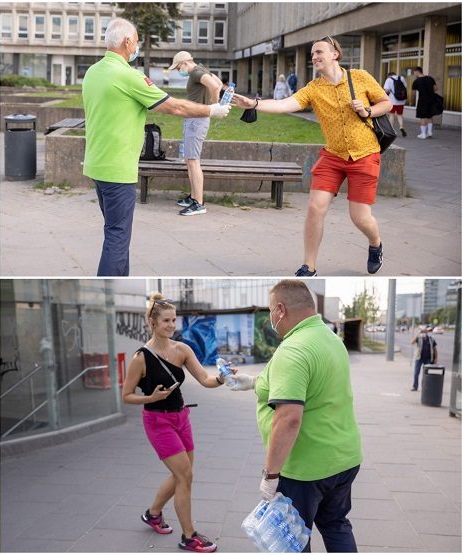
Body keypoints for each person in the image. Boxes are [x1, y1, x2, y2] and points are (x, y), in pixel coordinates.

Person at [232, 36, 391, 277]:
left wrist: (368, 110)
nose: (314, 57)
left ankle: (375, 243)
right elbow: (285, 104)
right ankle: (309, 266)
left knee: (360, 217)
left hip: (365, 155)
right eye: (312, 54)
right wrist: (254, 104)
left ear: (335, 54)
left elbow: (386, 104)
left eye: (318, 52)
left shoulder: (360, 77)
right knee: (315, 208)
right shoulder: (314, 89)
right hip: (333, 156)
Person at [82, 17, 230, 276]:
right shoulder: (129, 76)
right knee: (117, 238)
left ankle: (120, 277)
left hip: (97, 165)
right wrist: (212, 110)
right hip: (118, 171)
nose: (136, 47)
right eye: (136, 42)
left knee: (115, 234)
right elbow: (175, 106)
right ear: (128, 42)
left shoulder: (92, 72)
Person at [225, 280, 363, 552]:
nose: (270, 318)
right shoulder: (330, 339)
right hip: (344, 457)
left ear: (280, 310)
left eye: (269, 311)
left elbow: (288, 419)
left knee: (293, 539)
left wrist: (271, 474)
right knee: (336, 524)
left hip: (307, 468)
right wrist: (254, 382)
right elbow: (309, 384)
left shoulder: (294, 349)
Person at [121, 294, 230, 553]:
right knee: (185, 475)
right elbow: (126, 396)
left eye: (174, 320)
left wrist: (223, 378)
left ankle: (153, 513)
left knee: (182, 474)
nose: (172, 325)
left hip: (181, 417)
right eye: (166, 321)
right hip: (157, 422)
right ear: (152, 322)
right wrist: (151, 397)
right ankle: (189, 535)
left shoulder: (182, 350)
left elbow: (205, 379)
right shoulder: (141, 358)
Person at [169, 50, 224, 217]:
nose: (179, 71)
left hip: (197, 120)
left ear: (185, 63)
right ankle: (193, 198)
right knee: (189, 159)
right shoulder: (202, 69)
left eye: (178, 68)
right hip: (194, 119)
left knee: (193, 161)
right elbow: (219, 82)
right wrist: (213, 105)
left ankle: (199, 204)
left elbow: (215, 86)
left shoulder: (195, 72)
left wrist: (214, 106)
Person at [411, 66, 438, 139]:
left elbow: (413, 93)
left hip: (422, 101)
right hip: (431, 100)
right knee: (430, 115)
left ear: (417, 71)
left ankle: (423, 134)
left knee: (422, 117)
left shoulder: (416, 81)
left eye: (414, 72)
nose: (414, 74)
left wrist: (412, 101)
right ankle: (429, 132)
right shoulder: (430, 78)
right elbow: (436, 88)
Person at [410, 325, 438, 391]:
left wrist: (436, 358)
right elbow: (411, 342)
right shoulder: (419, 338)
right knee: (416, 373)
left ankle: (424, 387)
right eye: (423, 331)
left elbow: (435, 349)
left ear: (427, 332)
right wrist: (418, 333)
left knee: (426, 374)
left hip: (428, 359)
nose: (424, 333)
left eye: (425, 331)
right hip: (419, 358)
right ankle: (415, 386)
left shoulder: (431, 339)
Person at [382, 70, 408, 137]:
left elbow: (386, 90)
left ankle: (391, 130)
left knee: (391, 115)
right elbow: (405, 87)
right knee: (400, 115)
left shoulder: (388, 80)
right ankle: (401, 127)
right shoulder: (401, 78)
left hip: (393, 101)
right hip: (401, 101)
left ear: (389, 75)